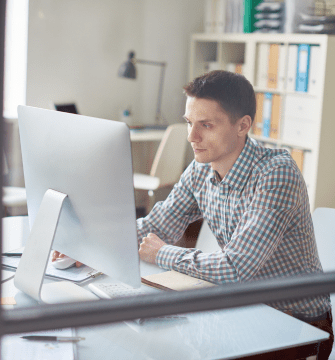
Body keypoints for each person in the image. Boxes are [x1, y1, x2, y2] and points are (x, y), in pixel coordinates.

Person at [137, 70, 333, 359]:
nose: (192, 137)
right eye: (190, 123)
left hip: (298, 323)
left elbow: (235, 269)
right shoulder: (202, 167)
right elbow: (156, 226)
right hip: (245, 308)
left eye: (206, 125)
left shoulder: (276, 174)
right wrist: (88, 242)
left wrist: (162, 253)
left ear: (242, 125)